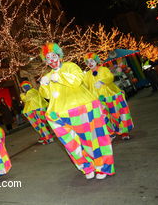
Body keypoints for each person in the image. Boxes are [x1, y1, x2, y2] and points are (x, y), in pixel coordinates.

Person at [39, 42, 114, 180]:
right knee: (71, 143)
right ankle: (87, 167)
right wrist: (43, 85)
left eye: (53, 56)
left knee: (94, 139)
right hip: (61, 114)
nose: (52, 61)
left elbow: (77, 81)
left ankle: (102, 166)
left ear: (59, 56)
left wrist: (60, 77)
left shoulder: (71, 66)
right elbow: (47, 96)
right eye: (48, 58)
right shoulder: (48, 75)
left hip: (83, 108)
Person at [84, 53, 134, 140]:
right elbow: (84, 86)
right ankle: (110, 133)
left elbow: (110, 77)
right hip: (97, 100)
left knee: (116, 115)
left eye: (91, 61)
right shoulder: (87, 75)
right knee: (103, 118)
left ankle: (123, 132)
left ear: (96, 61)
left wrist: (102, 82)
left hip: (110, 96)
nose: (90, 63)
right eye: (87, 62)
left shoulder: (104, 69)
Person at [19, 80, 54, 144]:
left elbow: (25, 99)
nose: (23, 89)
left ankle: (48, 138)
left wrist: (22, 95)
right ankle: (45, 136)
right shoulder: (33, 91)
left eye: (23, 88)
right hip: (37, 109)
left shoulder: (30, 92)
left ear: (25, 87)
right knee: (40, 125)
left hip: (36, 110)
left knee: (41, 125)